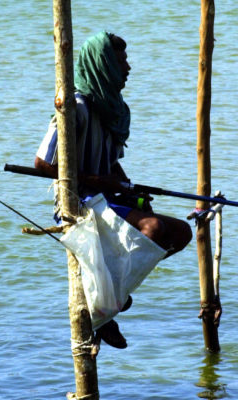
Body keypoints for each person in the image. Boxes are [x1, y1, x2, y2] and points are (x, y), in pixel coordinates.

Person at [35, 31, 192, 349]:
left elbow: (112, 166)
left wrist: (129, 188)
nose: (128, 68)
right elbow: (42, 163)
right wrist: (94, 179)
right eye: (121, 61)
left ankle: (113, 296)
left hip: (106, 199)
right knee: (153, 227)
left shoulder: (113, 110)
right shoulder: (75, 108)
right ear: (103, 65)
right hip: (79, 203)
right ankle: (106, 308)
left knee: (181, 233)